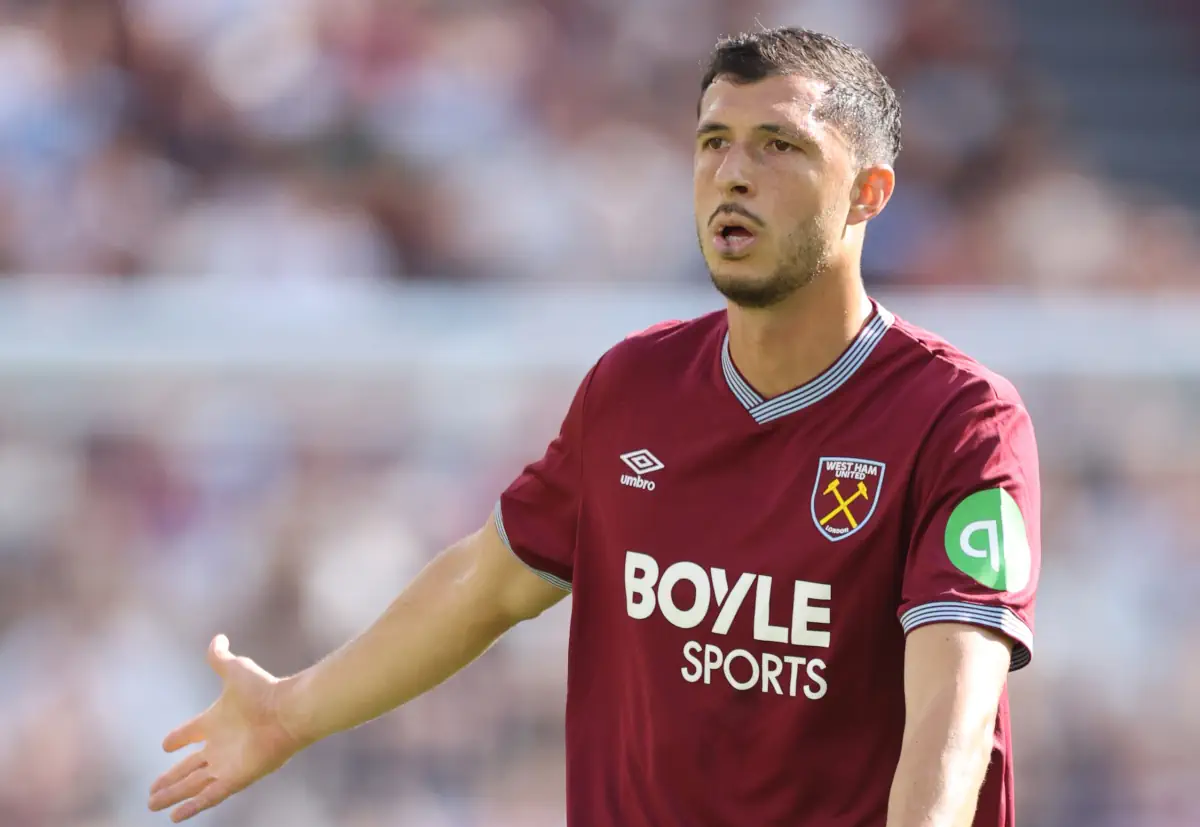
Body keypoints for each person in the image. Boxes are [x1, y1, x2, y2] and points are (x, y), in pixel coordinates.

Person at [148, 26, 1041, 827]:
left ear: (867, 194)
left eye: (781, 147)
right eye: (713, 142)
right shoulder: (634, 386)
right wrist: (293, 710)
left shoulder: (960, 420)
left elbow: (952, 721)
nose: (733, 173)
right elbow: (488, 582)